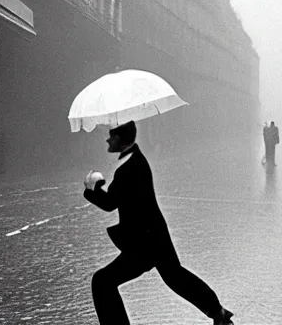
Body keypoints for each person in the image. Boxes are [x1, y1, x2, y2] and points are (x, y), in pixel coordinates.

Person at [83, 121, 234, 325]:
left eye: (111, 135)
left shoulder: (128, 167)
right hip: (155, 237)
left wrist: (90, 189)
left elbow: (110, 203)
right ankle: (219, 313)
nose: (107, 139)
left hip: (143, 243)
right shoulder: (135, 160)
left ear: (120, 138)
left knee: (102, 281)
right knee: (177, 278)